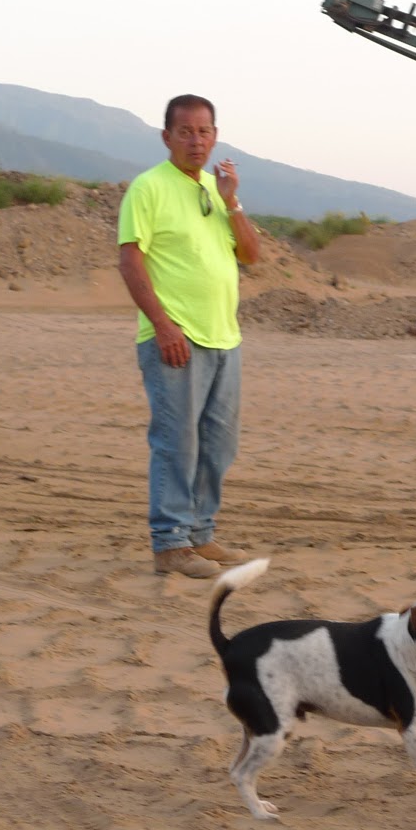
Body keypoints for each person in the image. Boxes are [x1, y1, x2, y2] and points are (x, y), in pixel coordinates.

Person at [117, 94, 261, 577]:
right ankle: (170, 543)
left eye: (204, 131)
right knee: (176, 442)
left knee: (218, 443)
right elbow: (130, 261)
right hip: (176, 337)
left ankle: (201, 533)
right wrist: (163, 325)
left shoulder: (216, 192)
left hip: (224, 338)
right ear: (167, 137)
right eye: (186, 132)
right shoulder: (148, 187)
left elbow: (251, 254)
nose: (196, 141)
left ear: (215, 137)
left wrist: (232, 200)